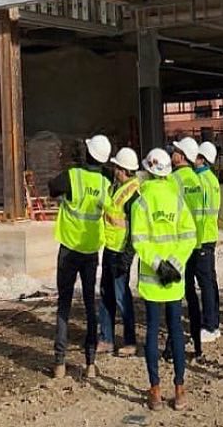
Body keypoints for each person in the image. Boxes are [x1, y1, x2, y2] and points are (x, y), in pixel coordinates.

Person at [132, 148, 198, 411]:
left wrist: (158, 264)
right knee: (176, 333)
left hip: (151, 279)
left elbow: (139, 239)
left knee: (151, 333)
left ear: (147, 170)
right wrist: (176, 263)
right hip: (175, 279)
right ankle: (180, 390)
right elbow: (189, 235)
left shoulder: (141, 202)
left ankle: (155, 391)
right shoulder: (177, 199)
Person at [49, 133, 111, 379]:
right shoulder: (106, 184)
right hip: (90, 251)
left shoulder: (72, 176)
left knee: (64, 304)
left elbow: (53, 187)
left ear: (88, 154)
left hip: (68, 249)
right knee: (88, 305)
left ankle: (60, 363)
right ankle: (90, 363)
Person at [97, 147, 140, 358]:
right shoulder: (118, 188)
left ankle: (130, 341)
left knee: (122, 296)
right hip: (110, 247)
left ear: (122, 169)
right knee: (106, 292)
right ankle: (106, 338)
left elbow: (134, 227)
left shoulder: (133, 193)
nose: (114, 170)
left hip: (120, 251)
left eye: (116, 167)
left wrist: (127, 256)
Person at [170, 137, 204, 359]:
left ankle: (173, 347)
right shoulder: (196, 179)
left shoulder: (174, 180)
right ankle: (197, 344)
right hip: (195, 244)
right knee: (192, 295)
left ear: (181, 156)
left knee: (174, 297)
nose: (172, 154)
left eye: (175, 151)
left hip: (177, 246)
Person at [192, 141, 222, 341]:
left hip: (202, 238)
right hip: (210, 235)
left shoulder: (201, 181)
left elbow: (199, 214)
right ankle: (214, 323)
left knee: (205, 284)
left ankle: (209, 326)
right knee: (210, 282)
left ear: (201, 158)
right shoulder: (212, 179)